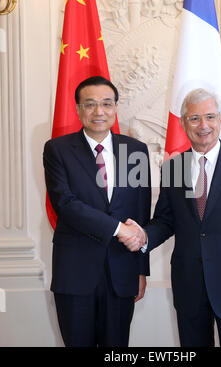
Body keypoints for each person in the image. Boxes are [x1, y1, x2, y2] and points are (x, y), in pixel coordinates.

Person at [120, 88, 221, 347]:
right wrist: (144, 235)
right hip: (189, 286)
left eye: (210, 117)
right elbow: (165, 221)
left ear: (220, 119)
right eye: (194, 118)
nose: (203, 125)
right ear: (183, 123)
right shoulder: (173, 167)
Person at [43, 76, 151, 347]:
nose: (99, 111)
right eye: (90, 104)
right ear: (78, 108)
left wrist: (141, 270)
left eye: (106, 104)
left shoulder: (135, 150)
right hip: (75, 272)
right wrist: (117, 229)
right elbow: (65, 204)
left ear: (115, 107)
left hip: (122, 272)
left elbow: (141, 210)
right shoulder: (57, 150)